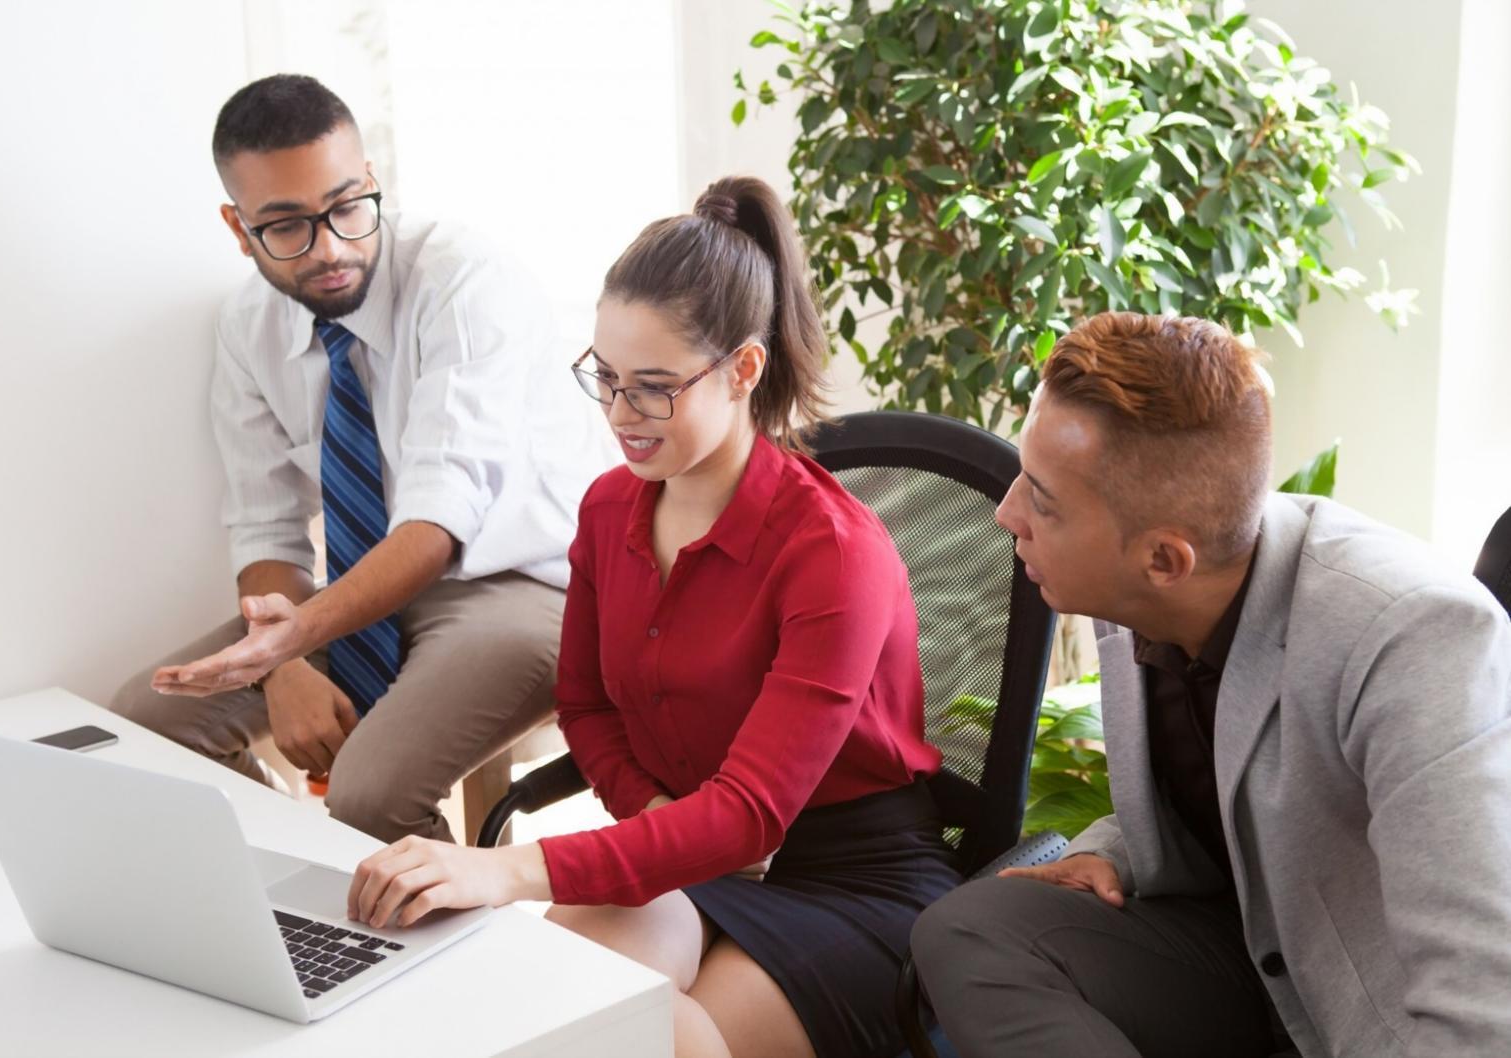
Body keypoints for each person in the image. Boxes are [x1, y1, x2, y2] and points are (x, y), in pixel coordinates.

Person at [345, 176, 962, 1058]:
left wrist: (509, 870)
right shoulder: (608, 510)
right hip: (688, 846)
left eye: (655, 388)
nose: (620, 416)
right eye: (606, 378)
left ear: (743, 370)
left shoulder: (833, 549)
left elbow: (753, 813)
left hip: (853, 878)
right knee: (558, 1004)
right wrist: (657, 813)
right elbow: (589, 709)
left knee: (651, 1036)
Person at [910, 312, 1511, 1058]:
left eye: (1044, 500)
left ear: (1165, 560)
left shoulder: (1412, 636)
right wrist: (1116, 850)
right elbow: (1237, 786)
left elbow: (1485, 1007)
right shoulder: (1134, 597)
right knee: (970, 928)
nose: (1007, 515)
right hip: (1241, 962)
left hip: (1370, 1018)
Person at [109, 74, 614, 842]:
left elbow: (437, 525)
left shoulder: (463, 281)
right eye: (285, 226)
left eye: (347, 206)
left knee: (370, 792)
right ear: (237, 228)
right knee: (147, 727)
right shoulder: (248, 326)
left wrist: (288, 641)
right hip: (370, 590)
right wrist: (284, 668)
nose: (332, 248)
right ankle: (312, 882)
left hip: (532, 584)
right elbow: (266, 524)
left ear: (372, 181)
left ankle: (464, 955)